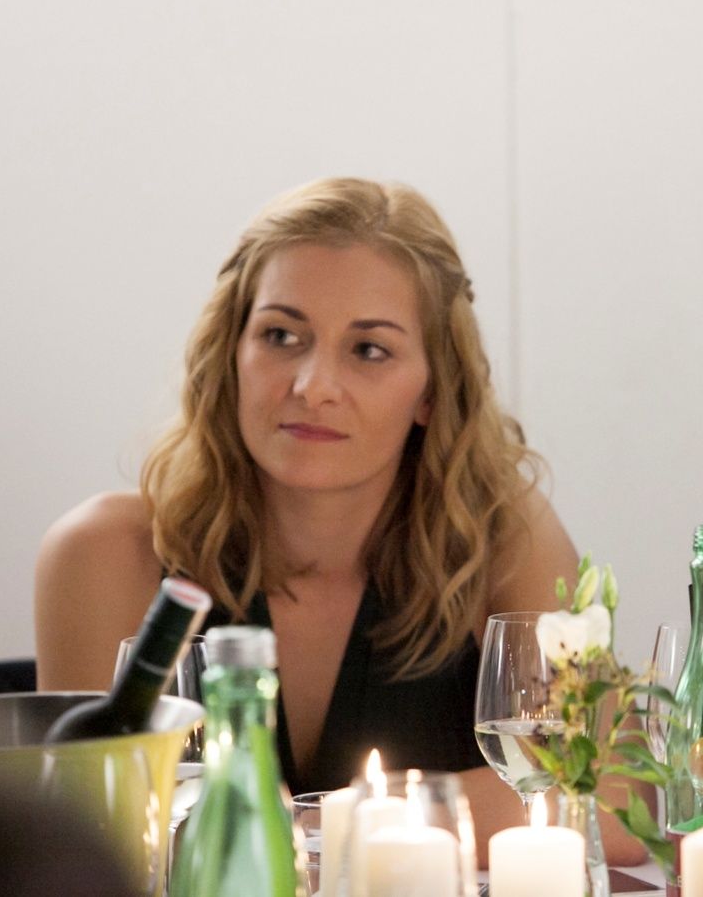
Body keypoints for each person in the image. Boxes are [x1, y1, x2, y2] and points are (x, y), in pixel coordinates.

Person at [35, 177, 644, 863]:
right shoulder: (109, 551)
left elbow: (612, 803)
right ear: (231, 354)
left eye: (368, 350)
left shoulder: (499, 540)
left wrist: (334, 822)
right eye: (281, 336)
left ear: (432, 390)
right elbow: (86, 840)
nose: (313, 386)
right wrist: (402, 824)